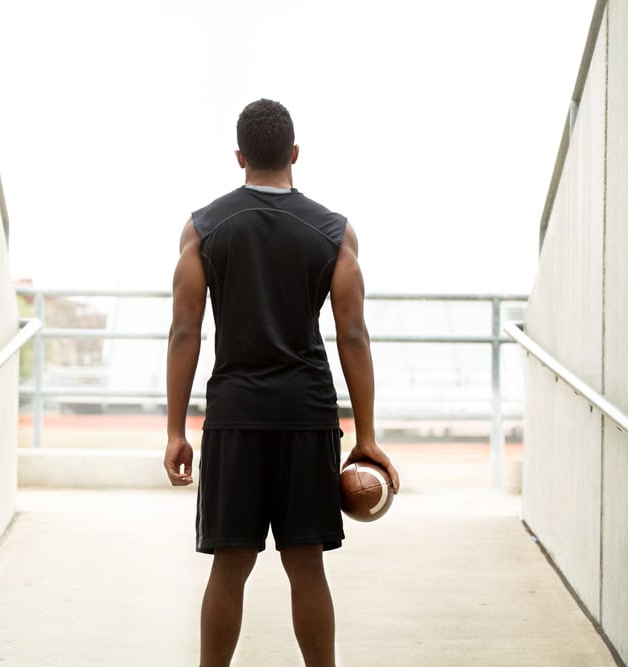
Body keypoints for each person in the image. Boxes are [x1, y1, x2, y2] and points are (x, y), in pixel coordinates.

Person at [164, 98, 400, 667]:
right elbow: (354, 336)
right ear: (294, 153)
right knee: (306, 563)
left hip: (235, 419)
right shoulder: (334, 233)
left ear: (240, 156)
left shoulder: (202, 229)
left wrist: (175, 431)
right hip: (306, 417)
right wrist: (365, 435)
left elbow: (183, 334)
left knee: (230, 563)